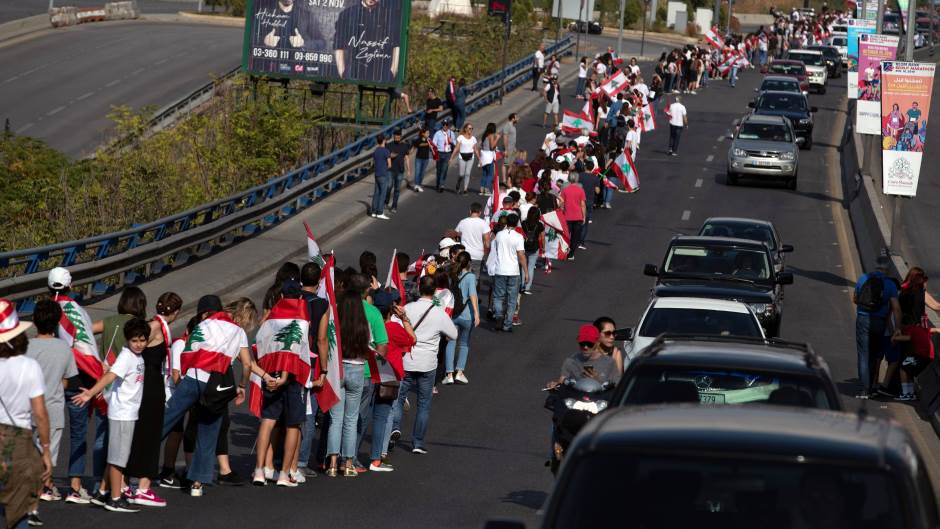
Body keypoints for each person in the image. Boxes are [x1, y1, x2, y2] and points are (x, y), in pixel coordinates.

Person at [160, 295, 271, 496]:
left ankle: (132, 466)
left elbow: (191, 347)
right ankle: (197, 483)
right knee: (208, 432)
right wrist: (242, 385)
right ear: (244, 317)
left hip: (192, 376)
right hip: (215, 386)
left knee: (165, 420)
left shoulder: (207, 322)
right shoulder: (237, 332)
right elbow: (246, 364)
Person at [72, 318, 150, 513]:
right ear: (127, 340)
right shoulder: (127, 357)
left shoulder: (136, 356)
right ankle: (115, 498)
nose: (139, 344)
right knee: (118, 458)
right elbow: (110, 376)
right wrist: (90, 393)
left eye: (142, 340)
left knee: (117, 455)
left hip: (127, 411)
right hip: (122, 413)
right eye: (134, 340)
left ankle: (103, 492)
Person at [48, 267, 109, 507]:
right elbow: (87, 346)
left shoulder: (46, 310)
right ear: (70, 286)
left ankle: (46, 483)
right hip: (78, 380)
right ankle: (74, 486)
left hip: (51, 378)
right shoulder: (78, 311)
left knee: (48, 432)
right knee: (78, 434)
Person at [122, 292, 182, 507]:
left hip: (147, 384)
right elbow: (134, 348)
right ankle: (143, 488)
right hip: (150, 386)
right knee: (149, 433)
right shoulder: (155, 328)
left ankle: (126, 483)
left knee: (138, 433)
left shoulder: (154, 325)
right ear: (175, 313)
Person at [390, 275, 457, 454]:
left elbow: (394, 325)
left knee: (398, 398)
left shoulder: (408, 308)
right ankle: (418, 443)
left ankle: (395, 427)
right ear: (435, 291)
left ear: (419, 288)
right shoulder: (439, 313)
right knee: (424, 404)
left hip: (407, 360)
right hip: (428, 362)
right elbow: (454, 334)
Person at [0, 299, 52, 529]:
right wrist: (47, 450)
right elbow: (40, 413)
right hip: (18, 439)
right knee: (19, 506)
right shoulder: (29, 366)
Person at [23, 299, 75, 517]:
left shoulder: (25, 347)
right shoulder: (64, 348)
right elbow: (67, 380)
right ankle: (41, 491)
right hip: (52, 409)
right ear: (56, 324)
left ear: (34, 320)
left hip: (26, 409)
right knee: (47, 455)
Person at [368, 290, 415, 471]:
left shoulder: (369, 323)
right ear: (391, 310)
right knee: (385, 416)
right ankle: (380, 454)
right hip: (390, 376)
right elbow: (412, 339)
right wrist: (404, 319)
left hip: (367, 372)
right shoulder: (393, 328)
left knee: (362, 415)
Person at [852, 256, 902, 399]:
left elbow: (855, 299)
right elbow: (896, 309)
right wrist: (897, 327)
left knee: (863, 354)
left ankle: (864, 389)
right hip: (879, 322)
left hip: (863, 319)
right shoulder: (890, 285)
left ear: (875, 267)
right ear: (888, 269)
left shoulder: (863, 279)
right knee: (874, 355)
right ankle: (873, 388)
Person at [332, 0, 402, 84]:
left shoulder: (390, 16)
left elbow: (397, 44)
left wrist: (392, 72)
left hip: (381, 77)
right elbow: (338, 45)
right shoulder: (348, 14)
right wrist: (342, 72)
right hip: (353, 75)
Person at [443, 251, 480, 385]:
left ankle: (449, 373)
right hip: (466, 315)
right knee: (464, 344)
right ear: (469, 262)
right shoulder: (470, 277)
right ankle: (459, 372)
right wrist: (476, 313)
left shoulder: (452, 274)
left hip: (453, 314)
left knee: (451, 342)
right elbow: (473, 295)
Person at [547, 325, 621, 388]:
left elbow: (617, 385)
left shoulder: (609, 363)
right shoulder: (571, 361)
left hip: (599, 401)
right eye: (582, 343)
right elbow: (562, 380)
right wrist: (554, 385)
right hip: (575, 400)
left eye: (589, 344)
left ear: (598, 343)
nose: (585, 347)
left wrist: (597, 379)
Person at [490, 213, 528, 333]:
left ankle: (499, 316)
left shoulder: (499, 235)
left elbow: (495, 249)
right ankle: (507, 324)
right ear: (517, 223)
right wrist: (526, 272)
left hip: (500, 269)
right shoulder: (518, 237)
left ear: (506, 222)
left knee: (498, 296)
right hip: (513, 271)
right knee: (512, 299)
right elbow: (521, 256)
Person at [93, 287, 146, 365]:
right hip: (129, 370)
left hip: (105, 370)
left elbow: (85, 331)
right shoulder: (141, 325)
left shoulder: (109, 321)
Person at [455, 203, 491, 278]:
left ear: (470, 211)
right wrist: (486, 256)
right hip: (478, 256)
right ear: (480, 212)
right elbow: (487, 243)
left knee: (462, 277)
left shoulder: (462, 222)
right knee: (475, 279)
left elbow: (456, 236)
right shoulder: (484, 224)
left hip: (464, 256)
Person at [558, 173, 587, 258]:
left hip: (567, 216)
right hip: (578, 216)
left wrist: (562, 208)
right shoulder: (580, 190)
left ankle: (565, 251)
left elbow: (561, 202)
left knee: (566, 234)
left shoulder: (565, 190)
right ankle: (571, 254)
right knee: (575, 236)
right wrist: (584, 216)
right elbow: (583, 205)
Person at [386, 129, 411, 213]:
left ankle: (394, 206)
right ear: (393, 136)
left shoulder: (404, 146)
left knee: (397, 189)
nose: (397, 137)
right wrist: (390, 156)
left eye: (398, 136)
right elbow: (385, 156)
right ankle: (386, 201)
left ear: (400, 137)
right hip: (390, 170)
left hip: (400, 171)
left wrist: (409, 170)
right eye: (395, 136)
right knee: (389, 186)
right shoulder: (389, 145)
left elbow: (407, 158)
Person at [520, 206, 544, 294]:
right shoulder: (540, 224)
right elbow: (542, 237)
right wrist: (543, 248)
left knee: (523, 266)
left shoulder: (523, 223)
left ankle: (522, 285)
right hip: (535, 247)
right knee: (531, 267)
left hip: (523, 247)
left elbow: (520, 234)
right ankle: (527, 287)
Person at [452, 123, 480, 195]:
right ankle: (458, 184)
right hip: (462, 157)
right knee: (461, 174)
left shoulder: (473, 138)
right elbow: (456, 148)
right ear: (465, 129)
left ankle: (465, 190)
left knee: (467, 174)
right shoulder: (461, 137)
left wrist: (480, 159)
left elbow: (476, 149)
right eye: (469, 128)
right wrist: (451, 158)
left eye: (472, 128)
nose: (471, 130)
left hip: (471, 157)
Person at [371, 133, 392, 220]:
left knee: (376, 193)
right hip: (383, 174)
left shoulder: (375, 151)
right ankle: (380, 212)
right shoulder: (386, 151)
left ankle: (373, 211)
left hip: (376, 174)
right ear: (384, 140)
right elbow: (389, 164)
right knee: (382, 193)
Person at [432, 119, 456, 192]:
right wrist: (434, 154)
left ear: (448, 125)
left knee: (444, 169)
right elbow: (434, 144)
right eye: (443, 125)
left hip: (447, 153)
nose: (445, 126)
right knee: (439, 170)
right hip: (439, 153)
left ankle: (441, 185)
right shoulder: (438, 133)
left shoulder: (451, 133)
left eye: (446, 125)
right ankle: (438, 183)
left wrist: (452, 141)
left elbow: (455, 143)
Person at [478, 122, 500, 196]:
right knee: (490, 174)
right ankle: (487, 189)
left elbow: (481, 145)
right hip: (489, 156)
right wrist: (497, 139)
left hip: (483, 156)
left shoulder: (485, 135)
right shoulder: (491, 135)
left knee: (484, 173)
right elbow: (492, 146)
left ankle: (482, 188)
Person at [411, 127, 433, 193]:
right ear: (423, 134)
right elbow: (414, 148)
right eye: (427, 133)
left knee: (422, 173)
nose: (428, 134)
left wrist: (431, 147)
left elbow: (432, 149)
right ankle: (416, 185)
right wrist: (408, 154)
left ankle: (419, 184)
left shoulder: (429, 140)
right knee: (417, 172)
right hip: (418, 158)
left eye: (429, 133)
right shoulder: (418, 140)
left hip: (426, 159)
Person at [500, 114, 518, 185]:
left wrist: (514, 148)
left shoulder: (513, 126)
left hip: (512, 148)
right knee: (505, 163)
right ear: (513, 119)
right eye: (516, 118)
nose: (517, 119)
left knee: (511, 163)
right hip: (508, 148)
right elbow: (505, 138)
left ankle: (508, 179)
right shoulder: (507, 126)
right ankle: (504, 180)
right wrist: (505, 149)